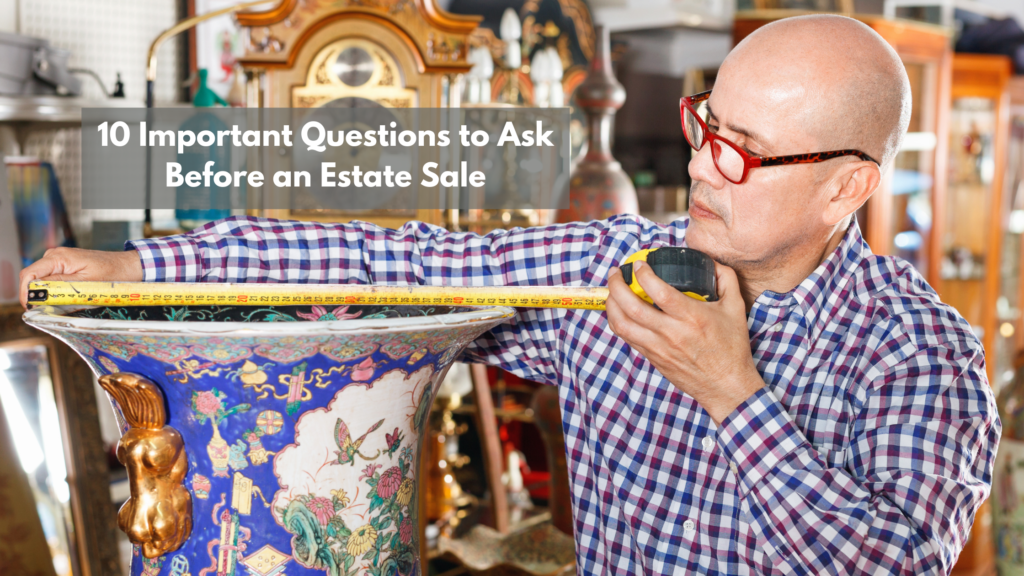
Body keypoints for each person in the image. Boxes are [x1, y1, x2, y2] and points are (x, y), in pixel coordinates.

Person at [21, 14, 999, 576]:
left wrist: (730, 394)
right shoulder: (613, 270)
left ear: (846, 186)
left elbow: (892, 561)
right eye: (706, 123)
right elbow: (391, 267)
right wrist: (149, 266)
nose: (704, 164)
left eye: (743, 152)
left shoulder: (920, 350)